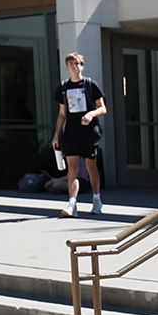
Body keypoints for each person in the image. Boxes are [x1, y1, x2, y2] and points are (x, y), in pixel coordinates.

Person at [55, 52, 107, 219]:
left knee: (91, 167)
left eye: (77, 64)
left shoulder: (91, 85)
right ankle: (72, 204)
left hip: (89, 133)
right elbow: (62, 114)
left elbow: (103, 108)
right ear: (67, 67)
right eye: (71, 64)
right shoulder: (63, 87)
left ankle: (97, 199)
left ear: (82, 66)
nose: (74, 67)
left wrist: (91, 114)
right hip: (71, 133)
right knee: (73, 168)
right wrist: (56, 135)